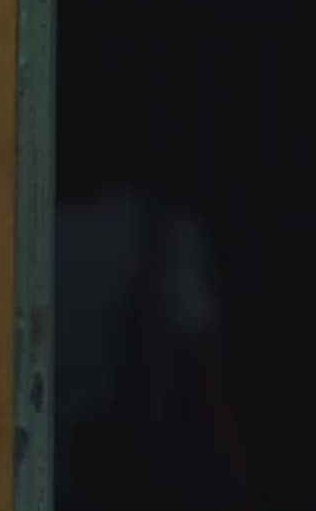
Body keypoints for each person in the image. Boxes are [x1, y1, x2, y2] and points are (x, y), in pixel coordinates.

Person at [56, 186, 251, 510]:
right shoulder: (160, 232)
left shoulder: (159, 234)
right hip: (117, 475)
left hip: (102, 473)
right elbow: (202, 375)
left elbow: (201, 373)